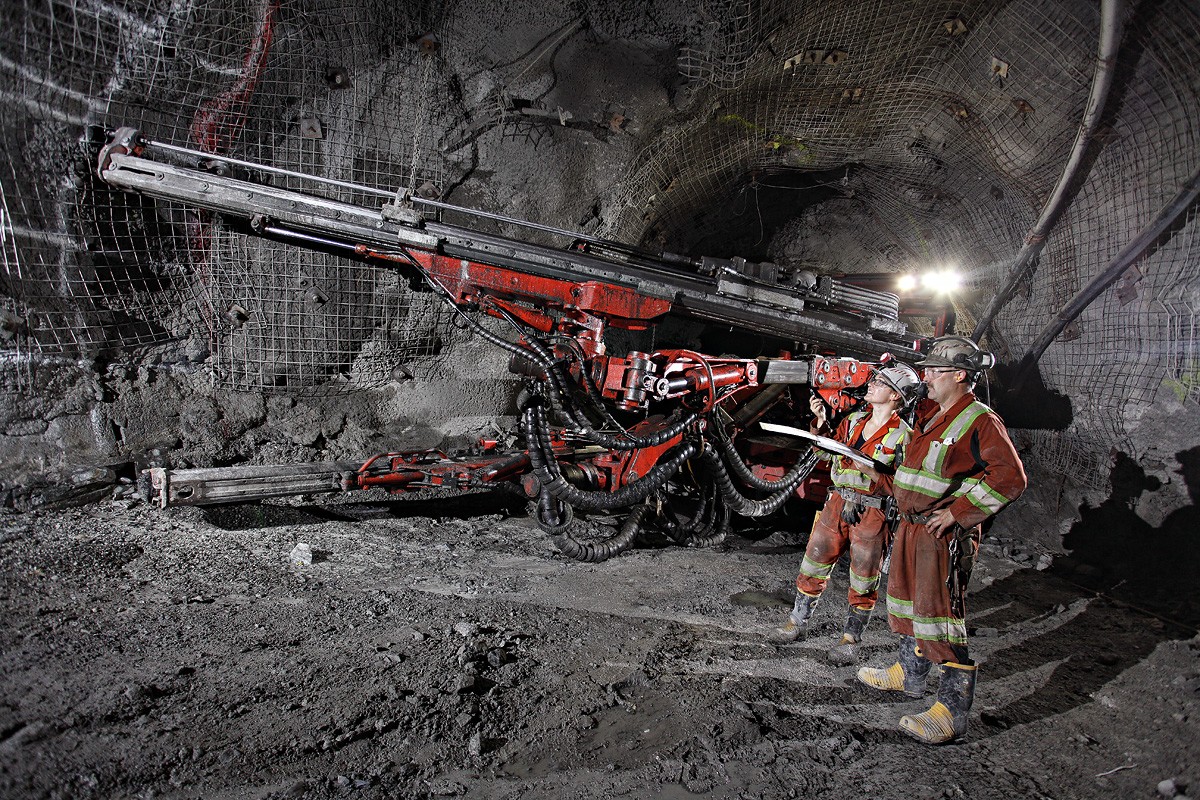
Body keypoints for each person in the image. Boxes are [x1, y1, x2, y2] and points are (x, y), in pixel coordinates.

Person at [856, 336, 1027, 744]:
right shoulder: (934, 416)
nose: (926, 377)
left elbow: (1011, 478)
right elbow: (919, 474)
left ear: (961, 375)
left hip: (941, 535)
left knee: (940, 616)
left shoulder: (980, 420)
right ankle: (910, 674)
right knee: (908, 604)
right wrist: (881, 476)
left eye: (934, 371)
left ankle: (951, 713)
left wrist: (957, 513)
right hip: (913, 527)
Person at [770, 360, 922, 665]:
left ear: (896, 396)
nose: (871, 385)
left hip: (873, 512)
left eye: (880, 383)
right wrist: (820, 422)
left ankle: (851, 639)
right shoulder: (853, 421)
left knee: (864, 578)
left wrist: (872, 471)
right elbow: (825, 453)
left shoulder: (904, 437)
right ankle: (797, 622)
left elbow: (904, 487)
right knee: (813, 562)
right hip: (837, 502)